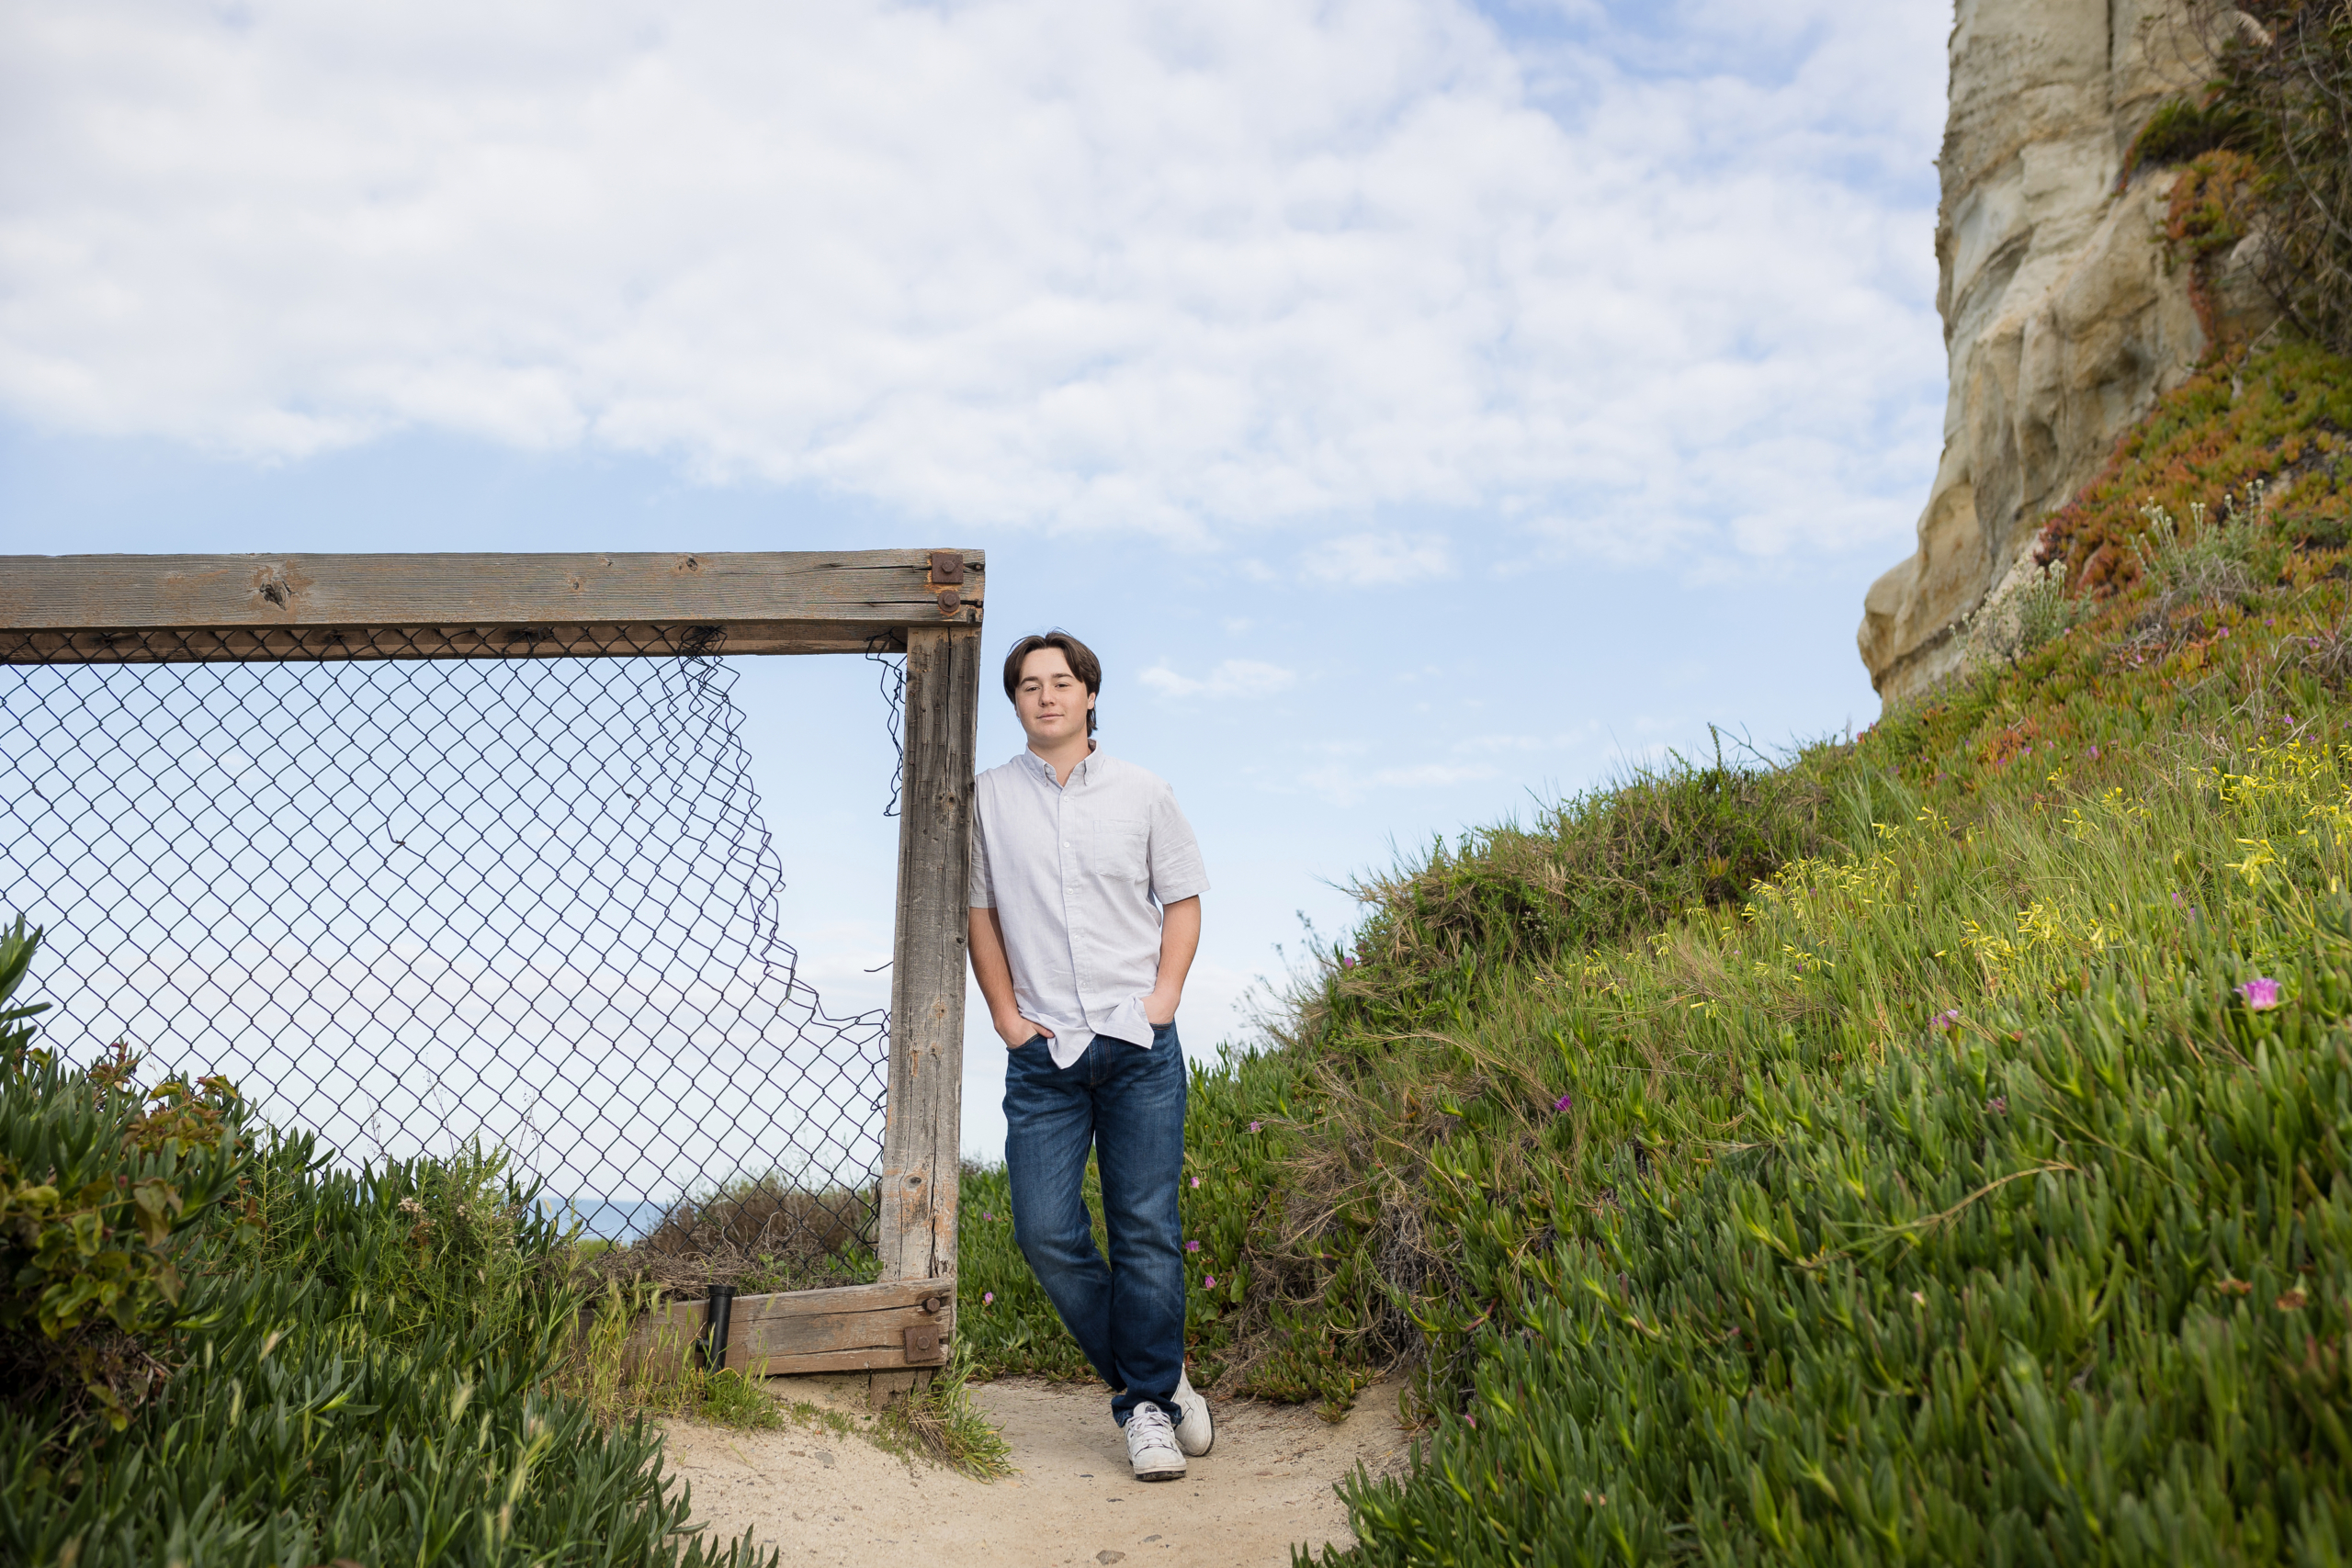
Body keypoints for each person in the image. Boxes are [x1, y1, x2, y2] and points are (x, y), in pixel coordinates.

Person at [967, 629, 1214, 1483]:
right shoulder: (987, 798)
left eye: (1061, 681)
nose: (1046, 695)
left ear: (1090, 695)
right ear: (1016, 702)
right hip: (1043, 1052)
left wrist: (1162, 1001)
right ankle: (1159, 1375)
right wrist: (1007, 1018)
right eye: (1029, 685)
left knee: (1146, 1226)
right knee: (1043, 1228)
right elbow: (980, 914)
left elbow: (1180, 901)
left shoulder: (1144, 791)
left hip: (1139, 1042)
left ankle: (1141, 1406)